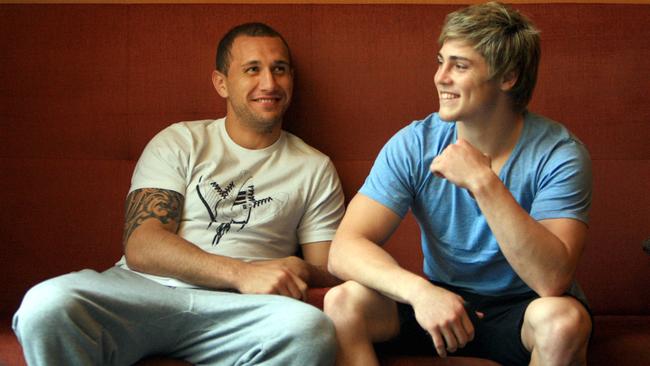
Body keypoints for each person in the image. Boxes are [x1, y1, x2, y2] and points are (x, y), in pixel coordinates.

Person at [13, 22, 345, 366]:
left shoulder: (314, 167)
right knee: (46, 303)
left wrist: (300, 269)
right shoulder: (180, 141)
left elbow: (329, 268)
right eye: (252, 70)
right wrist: (242, 273)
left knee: (308, 328)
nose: (269, 84)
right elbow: (143, 244)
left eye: (279, 70)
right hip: (143, 292)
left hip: (239, 311)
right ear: (221, 83)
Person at [324, 2, 592, 366]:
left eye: (460, 65)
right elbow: (343, 249)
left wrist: (482, 181)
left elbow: (551, 281)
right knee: (342, 302)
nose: (440, 76)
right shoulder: (416, 143)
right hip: (440, 302)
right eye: (440, 61)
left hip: (522, 309)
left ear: (508, 77)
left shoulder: (559, 153)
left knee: (563, 322)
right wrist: (420, 293)